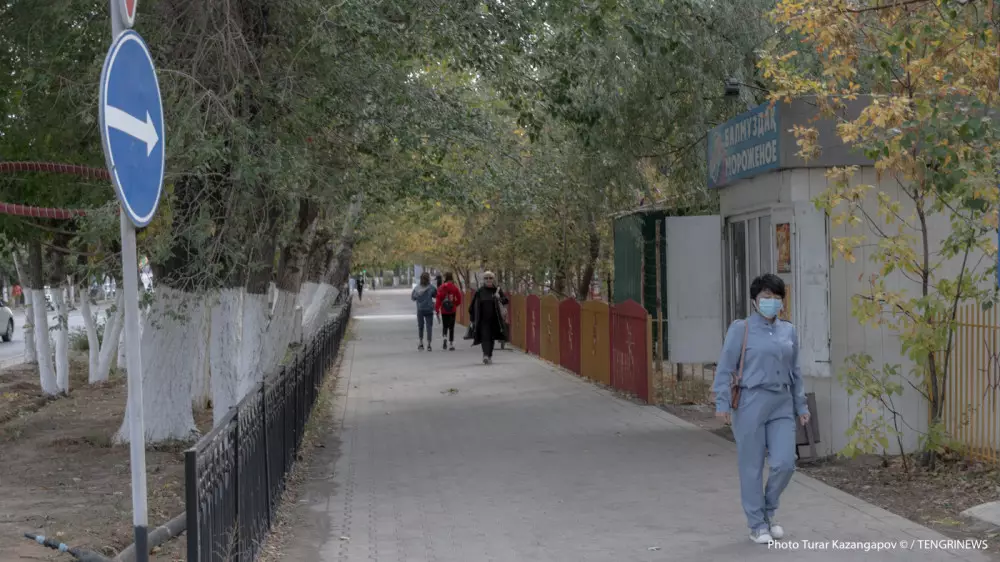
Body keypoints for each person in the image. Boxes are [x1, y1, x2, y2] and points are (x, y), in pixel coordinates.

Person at [712, 273, 810, 545]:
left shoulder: (788, 330)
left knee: (784, 463)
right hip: (750, 401)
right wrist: (722, 402)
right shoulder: (741, 329)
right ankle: (757, 525)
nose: (772, 302)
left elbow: (796, 371)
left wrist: (801, 405)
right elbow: (725, 367)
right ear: (755, 300)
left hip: (782, 402)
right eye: (766, 297)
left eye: (777, 297)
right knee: (752, 466)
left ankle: (768, 510)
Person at [468, 271, 508, 364]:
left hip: (495, 319)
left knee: (491, 337)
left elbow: (506, 301)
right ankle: (485, 355)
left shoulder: (497, 290)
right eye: (486, 278)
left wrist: (499, 297)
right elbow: (472, 306)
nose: (488, 280)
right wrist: (472, 319)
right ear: (483, 280)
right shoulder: (480, 291)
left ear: (493, 279)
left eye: (490, 278)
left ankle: (489, 355)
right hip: (483, 320)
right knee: (485, 336)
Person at [435, 272, 463, 351]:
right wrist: (455, 304)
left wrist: (437, 309)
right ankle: (451, 344)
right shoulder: (454, 287)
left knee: (445, 326)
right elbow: (459, 298)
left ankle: (444, 337)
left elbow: (438, 299)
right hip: (452, 309)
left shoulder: (441, 287)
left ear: (445, 278)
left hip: (444, 310)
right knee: (451, 327)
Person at [411, 272, 438, 351]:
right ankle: (429, 345)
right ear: (428, 278)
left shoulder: (417, 288)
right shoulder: (431, 287)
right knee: (429, 327)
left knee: (420, 326)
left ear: (421, 279)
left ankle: (421, 343)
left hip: (420, 309)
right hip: (429, 309)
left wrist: (419, 296)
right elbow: (436, 295)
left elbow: (413, 298)